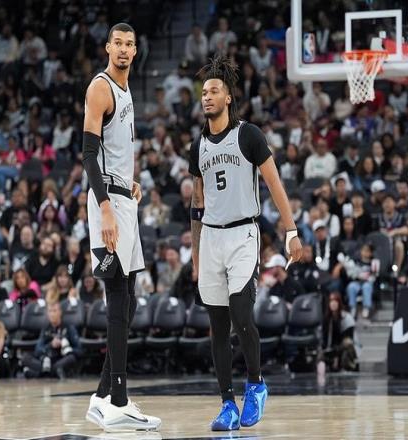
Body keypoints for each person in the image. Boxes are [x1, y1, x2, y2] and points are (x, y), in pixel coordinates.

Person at [188, 56, 302, 431]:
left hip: (243, 234)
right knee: (218, 328)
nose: (207, 96)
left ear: (228, 98)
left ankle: (256, 384)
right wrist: (195, 254)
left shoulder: (248, 135)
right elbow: (196, 203)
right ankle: (227, 404)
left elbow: (274, 183)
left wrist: (290, 231)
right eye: (204, 92)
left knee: (241, 315)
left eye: (214, 91)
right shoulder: (197, 145)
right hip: (211, 237)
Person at [82, 22, 161, 431]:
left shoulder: (126, 90)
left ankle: (102, 395)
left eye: (131, 43)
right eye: (119, 43)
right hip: (108, 204)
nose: (125, 49)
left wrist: (128, 183)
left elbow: (114, 152)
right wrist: (106, 207)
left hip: (122, 197)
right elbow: (88, 155)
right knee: (117, 296)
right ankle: (118, 399)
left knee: (128, 300)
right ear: (108, 47)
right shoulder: (101, 87)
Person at [22, 301, 81, 379]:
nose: (52, 314)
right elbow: (38, 350)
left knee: (71, 358)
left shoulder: (69, 327)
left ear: (60, 312)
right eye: (50, 311)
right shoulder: (46, 328)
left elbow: (79, 350)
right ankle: (50, 372)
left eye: (54, 311)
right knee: (25, 357)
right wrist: (51, 345)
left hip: (60, 359)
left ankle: (41, 373)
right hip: (47, 359)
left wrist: (66, 347)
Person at [318, 292, 358, 373]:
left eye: (335, 302)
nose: (333, 304)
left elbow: (349, 338)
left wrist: (337, 350)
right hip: (330, 347)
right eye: (331, 301)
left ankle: (348, 364)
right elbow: (324, 337)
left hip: (344, 346)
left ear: (339, 303)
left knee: (347, 343)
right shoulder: (326, 319)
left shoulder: (346, 318)